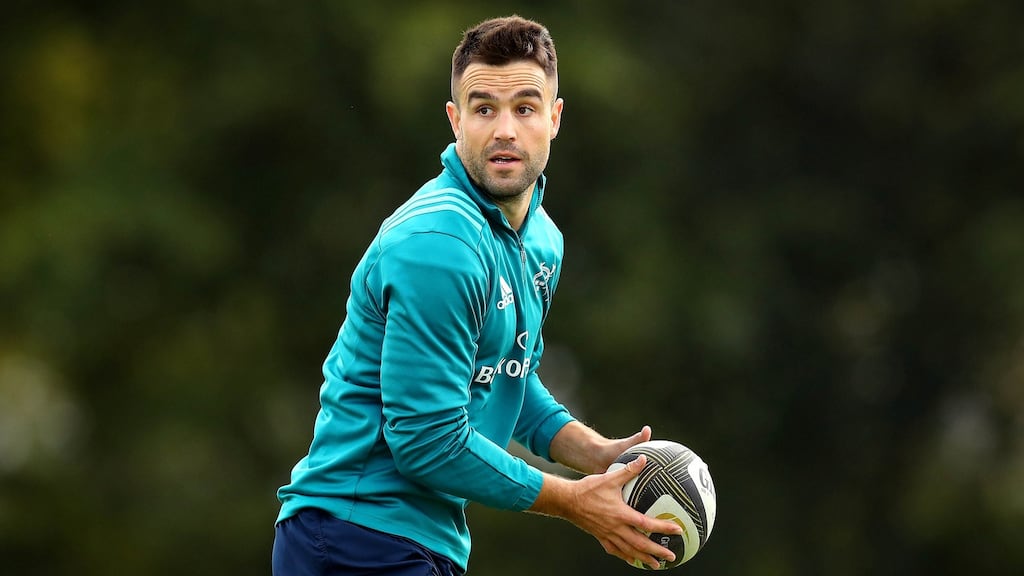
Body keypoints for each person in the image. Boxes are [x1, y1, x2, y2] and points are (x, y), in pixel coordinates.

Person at [272, 15, 681, 575]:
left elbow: (507, 373)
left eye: (526, 108)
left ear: (555, 118)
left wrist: (593, 453)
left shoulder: (540, 240)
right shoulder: (438, 245)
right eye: (484, 108)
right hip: (354, 535)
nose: (505, 130)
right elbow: (427, 440)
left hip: (412, 542)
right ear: (455, 120)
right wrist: (573, 502)